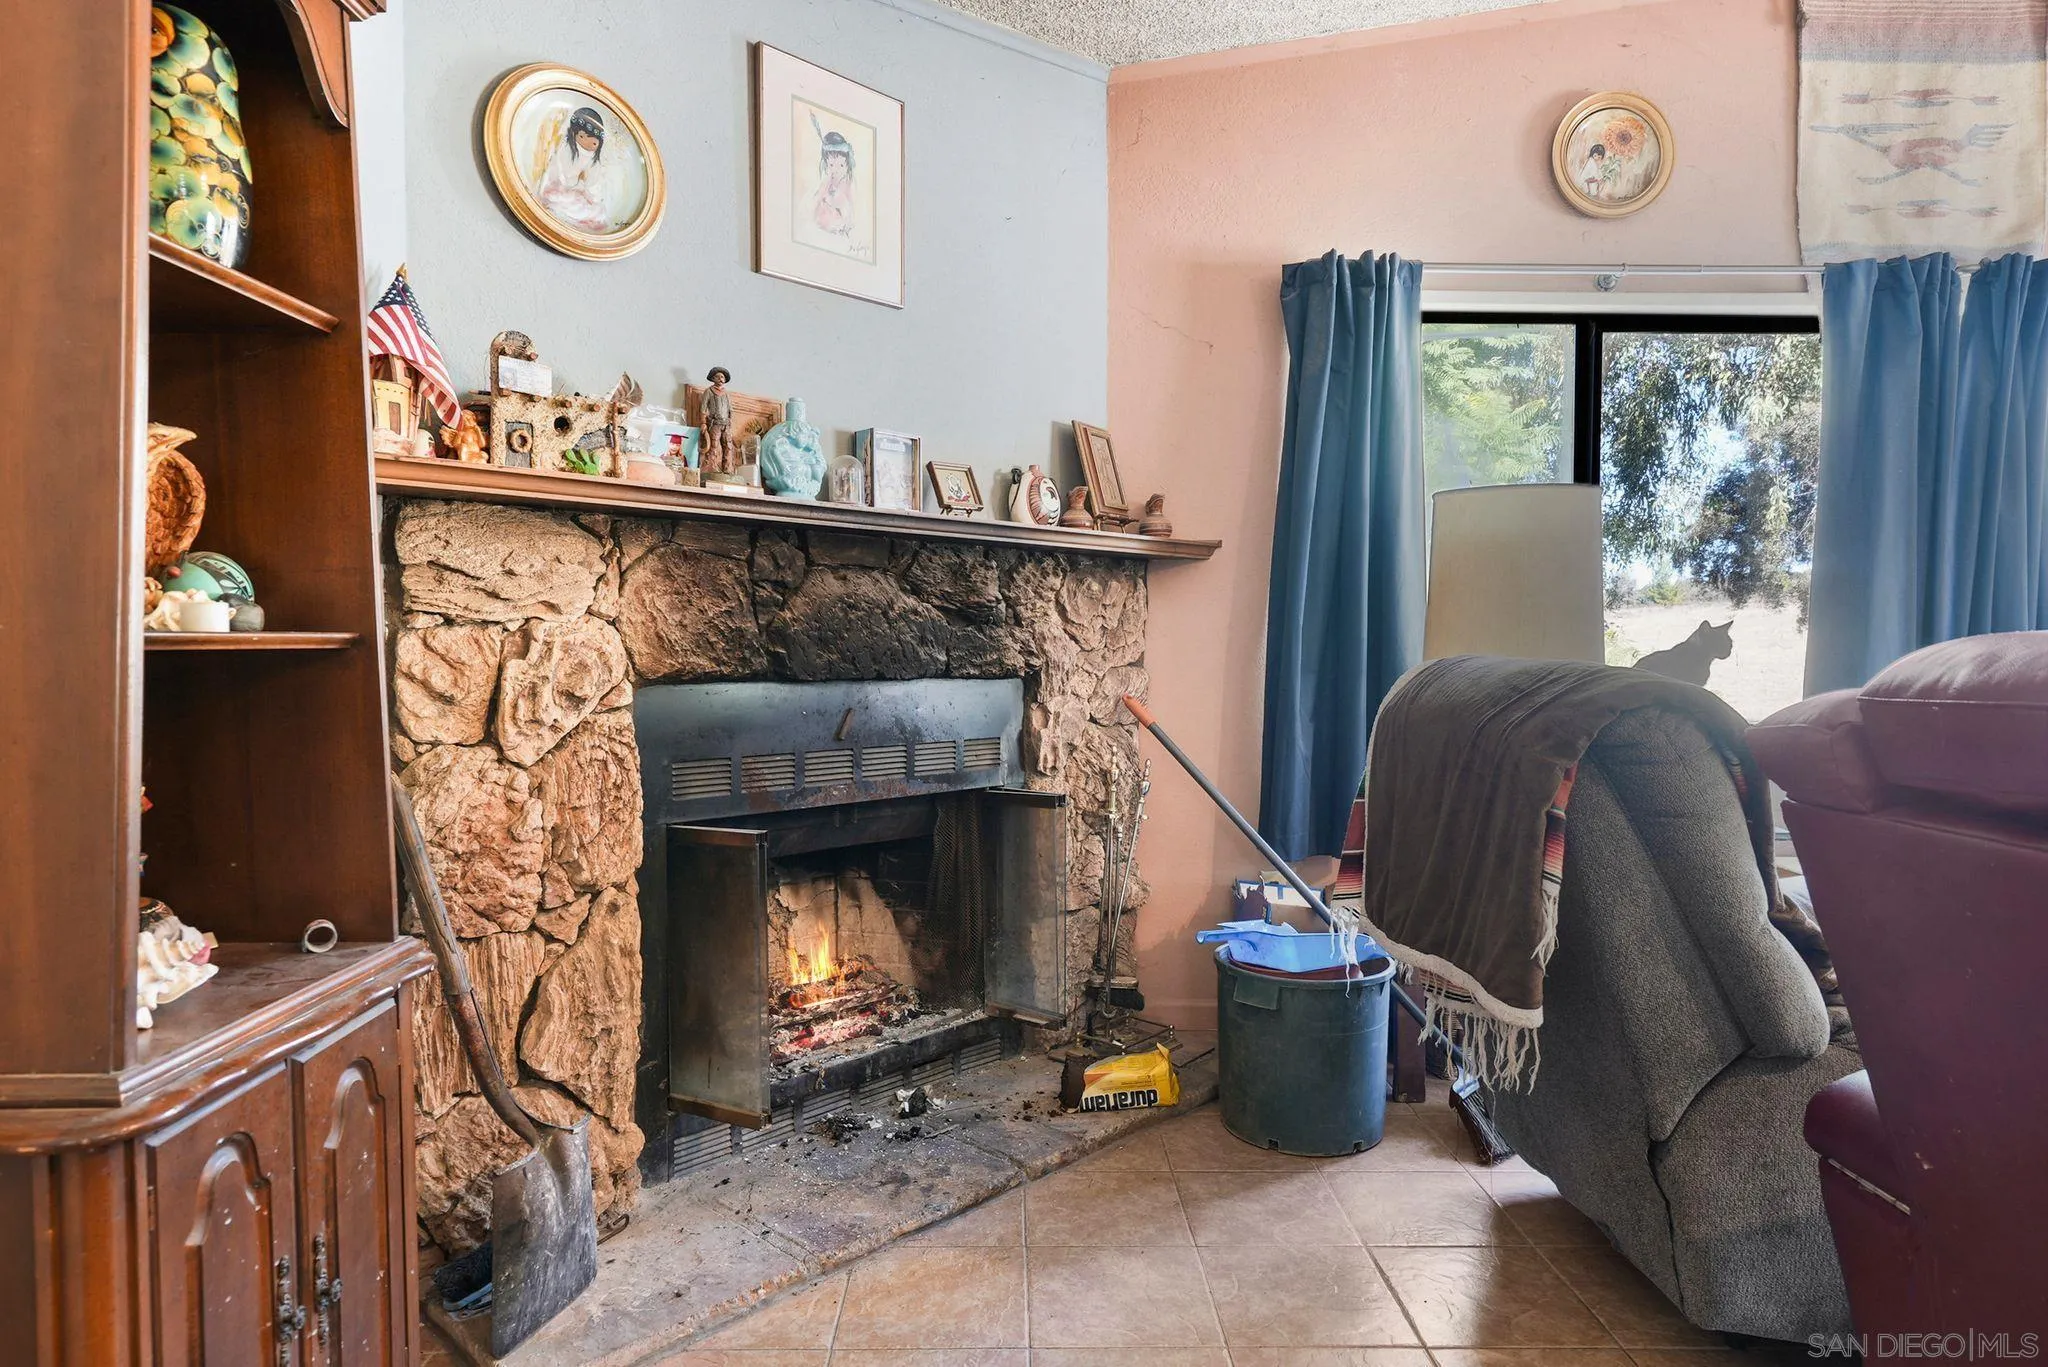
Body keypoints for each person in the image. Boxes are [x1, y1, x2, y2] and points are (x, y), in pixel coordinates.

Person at [535, 105, 614, 231]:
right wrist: (575, 182)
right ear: (574, 134)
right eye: (582, 137)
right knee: (560, 203)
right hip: (561, 188)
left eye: (593, 142)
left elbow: (594, 181)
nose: (587, 143)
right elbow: (559, 170)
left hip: (580, 193)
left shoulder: (595, 160)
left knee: (598, 212)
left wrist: (585, 184)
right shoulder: (567, 149)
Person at [810, 126, 858, 242]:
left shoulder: (848, 184)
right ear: (826, 165)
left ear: (847, 165)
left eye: (841, 165)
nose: (836, 170)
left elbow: (851, 210)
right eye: (831, 165)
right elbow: (815, 201)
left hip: (839, 227)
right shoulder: (827, 182)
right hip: (822, 227)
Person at [701, 367, 735, 474]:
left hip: (726, 424)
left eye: (722, 377)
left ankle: (727, 469)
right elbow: (703, 408)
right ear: (713, 378)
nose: (721, 379)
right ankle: (711, 467)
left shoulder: (726, 394)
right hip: (715, 424)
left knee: (728, 446)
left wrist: (730, 421)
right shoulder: (709, 391)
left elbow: (730, 409)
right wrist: (703, 423)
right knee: (713, 446)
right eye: (718, 377)